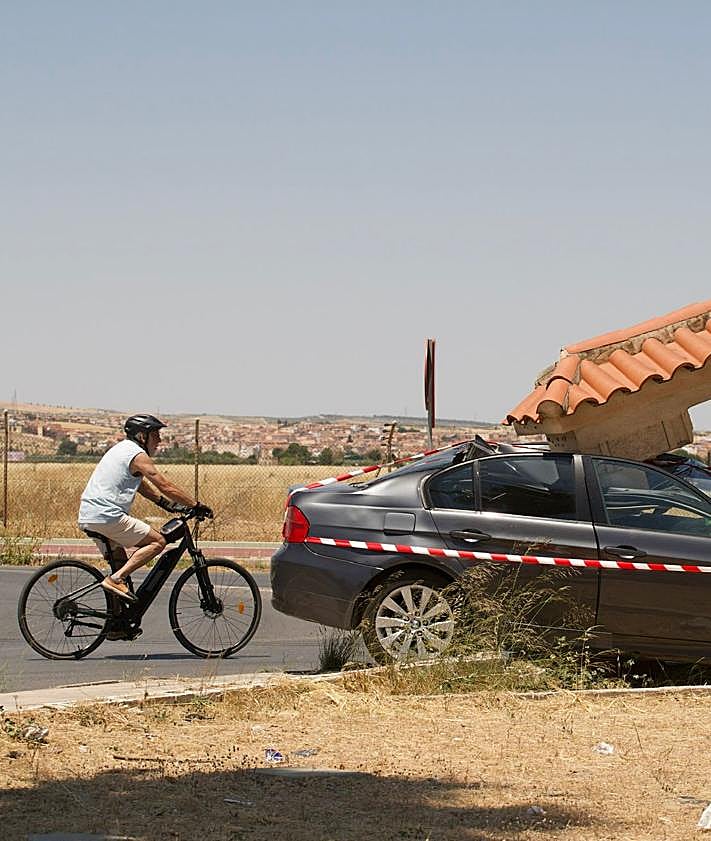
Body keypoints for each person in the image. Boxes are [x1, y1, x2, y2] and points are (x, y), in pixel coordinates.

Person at [78, 413, 212, 603]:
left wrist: (165, 504)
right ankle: (116, 579)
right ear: (142, 436)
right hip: (108, 516)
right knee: (158, 542)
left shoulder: (121, 450)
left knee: (121, 564)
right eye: (155, 434)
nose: (159, 439)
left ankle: (117, 626)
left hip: (91, 515)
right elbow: (165, 485)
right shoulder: (137, 454)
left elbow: (140, 485)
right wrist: (195, 505)